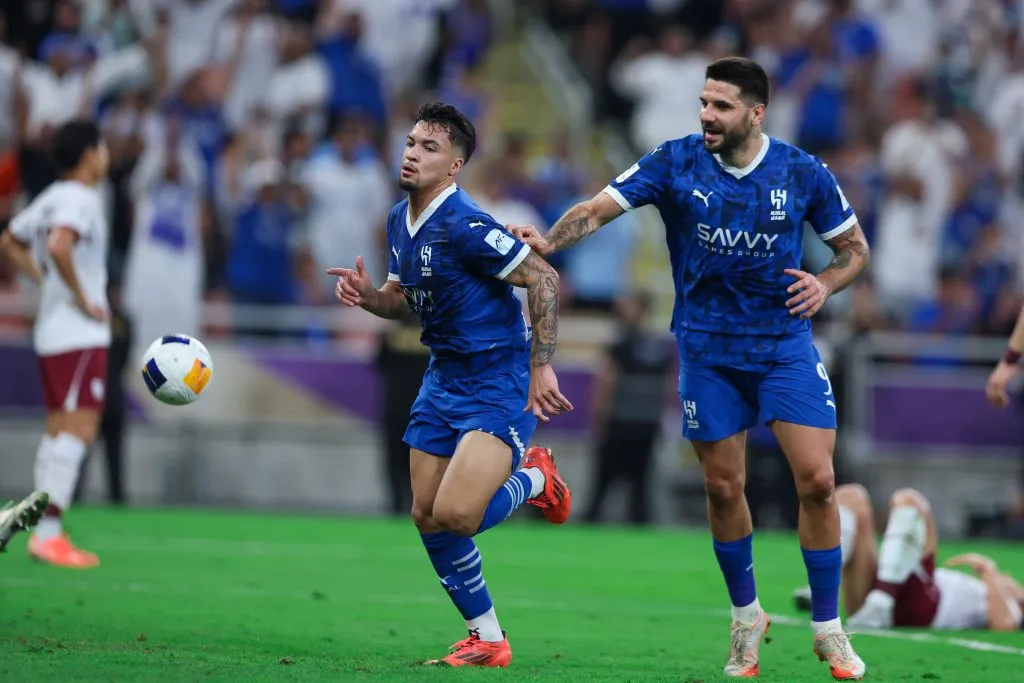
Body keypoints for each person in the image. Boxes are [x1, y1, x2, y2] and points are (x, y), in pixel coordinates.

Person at [509, 57, 870, 679]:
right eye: (704, 102)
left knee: (816, 480)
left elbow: (854, 249)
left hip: (783, 347)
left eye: (721, 106)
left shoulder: (802, 172)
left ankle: (829, 628)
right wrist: (548, 241)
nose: (707, 114)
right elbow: (598, 208)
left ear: (755, 114)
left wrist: (825, 284)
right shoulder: (674, 160)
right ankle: (745, 617)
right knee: (723, 486)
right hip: (707, 350)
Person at [327, 101, 574, 668]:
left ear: (455, 165)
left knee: (460, 514)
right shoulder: (399, 220)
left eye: (429, 147)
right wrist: (369, 297)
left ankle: (535, 478)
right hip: (443, 376)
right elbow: (403, 302)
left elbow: (543, 277)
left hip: (498, 377)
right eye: (412, 142)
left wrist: (541, 365)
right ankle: (487, 637)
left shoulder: (466, 225)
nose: (412, 152)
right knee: (426, 514)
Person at [0, 119, 111, 569]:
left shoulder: (49, 196)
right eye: (101, 148)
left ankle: (40, 527)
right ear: (88, 153)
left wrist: (47, 283)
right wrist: (82, 297)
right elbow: (61, 244)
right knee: (80, 430)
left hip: (53, 331)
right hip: (79, 333)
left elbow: (9, 240)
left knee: (59, 428)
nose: (105, 155)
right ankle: (47, 534)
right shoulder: (81, 198)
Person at [792, 484, 1024, 631]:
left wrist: (989, 570)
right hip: (880, 599)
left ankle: (882, 599)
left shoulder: (1007, 602)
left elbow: (1005, 624)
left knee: (911, 501)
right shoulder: (990, 592)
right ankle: (824, 588)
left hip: (924, 605)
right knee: (851, 496)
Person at [584, 290, 673, 525]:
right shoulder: (659, 348)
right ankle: (639, 523)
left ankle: (592, 520)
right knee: (639, 483)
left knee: (606, 480)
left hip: (622, 422)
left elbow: (605, 382)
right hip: (644, 423)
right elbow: (669, 388)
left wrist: (599, 418)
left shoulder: (621, 344)